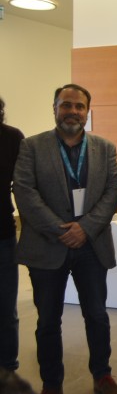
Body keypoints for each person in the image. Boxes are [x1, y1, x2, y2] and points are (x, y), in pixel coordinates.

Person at [13, 84, 117, 394]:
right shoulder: (32, 146)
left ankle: (102, 374)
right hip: (47, 246)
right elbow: (24, 191)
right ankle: (52, 383)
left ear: (87, 111)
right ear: (55, 108)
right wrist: (60, 229)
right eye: (66, 105)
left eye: (79, 106)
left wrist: (85, 228)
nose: (73, 111)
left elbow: (112, 191)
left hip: (91, 246)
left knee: (97, 315)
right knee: (48, 319)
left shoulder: (105, 147)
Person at [0, 97, 24, 375]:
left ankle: (8, 371)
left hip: (2, 236)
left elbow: (24, 186)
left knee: (6, 311)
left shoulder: (12, 138)